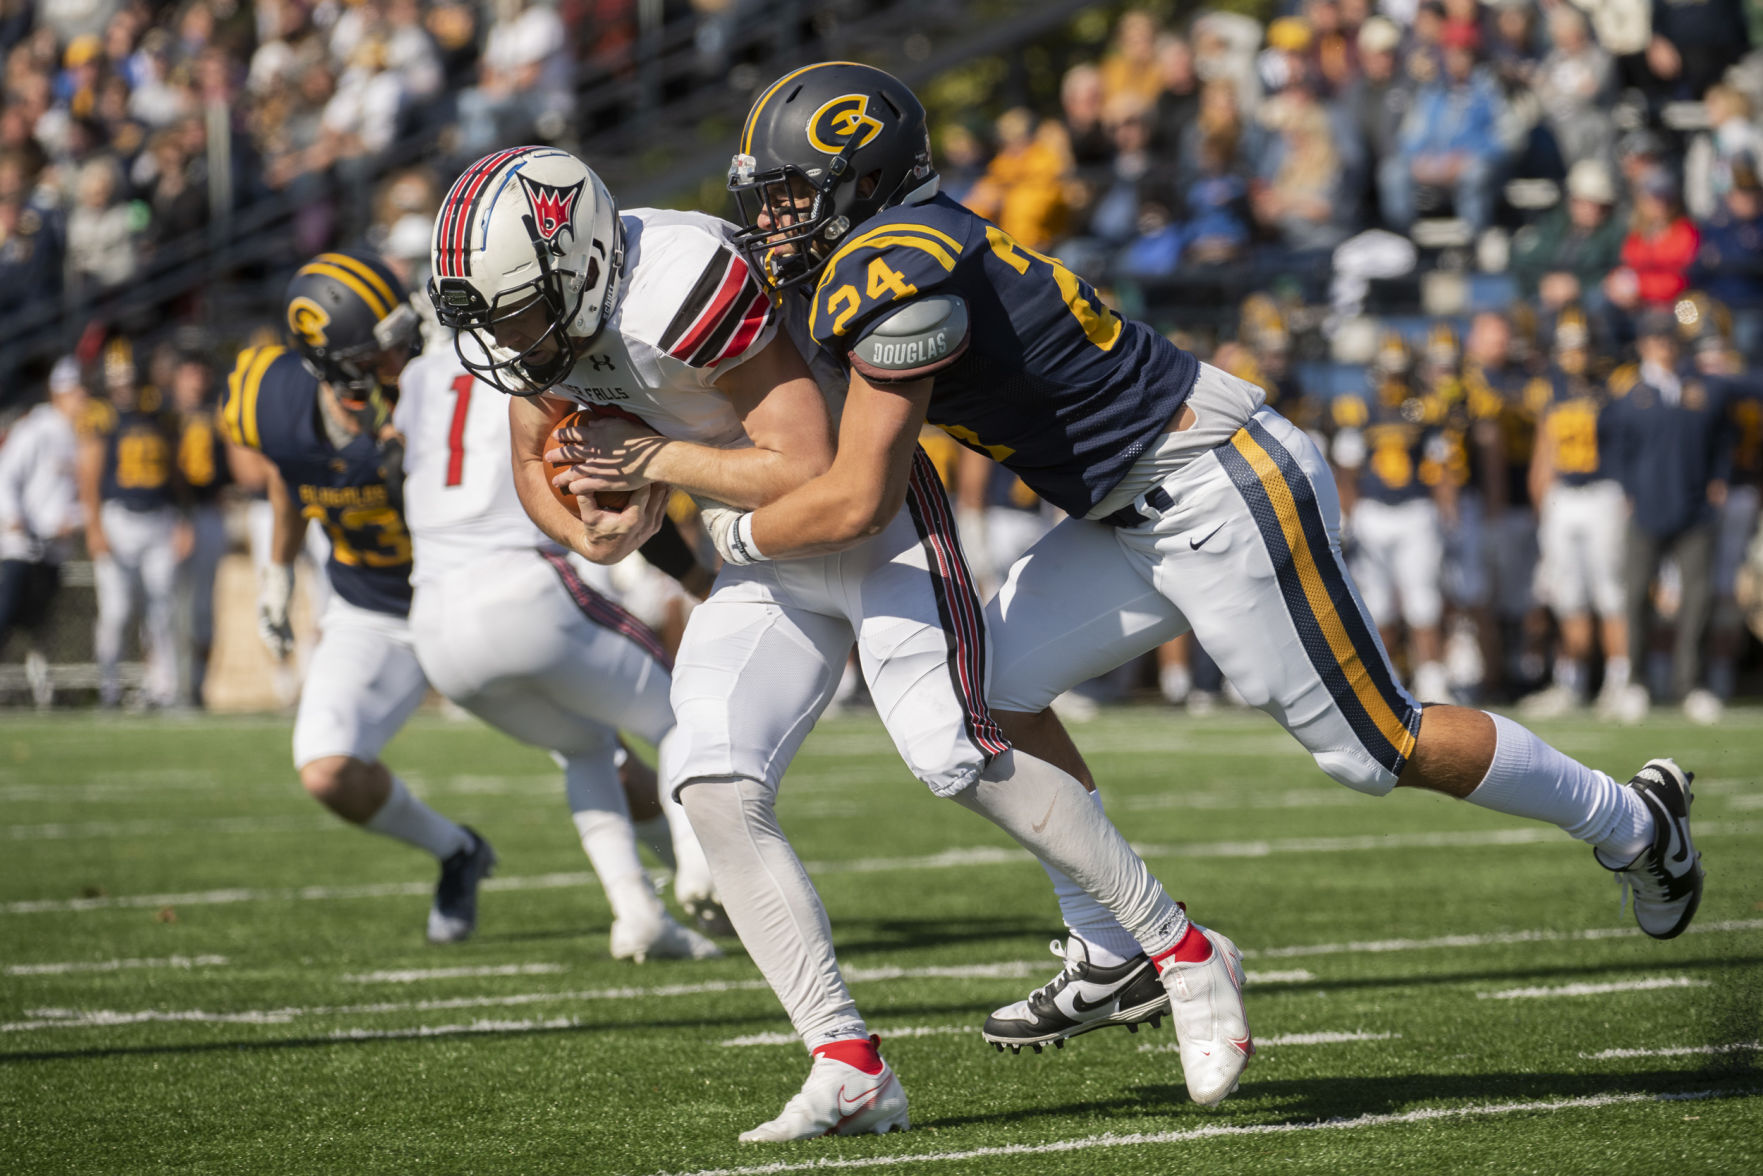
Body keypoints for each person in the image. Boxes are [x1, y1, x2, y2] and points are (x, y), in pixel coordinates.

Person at [705, 60, 1704, 1050]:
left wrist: (727, 525)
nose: (777, 217)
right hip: (1127, 511)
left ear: (865, 180)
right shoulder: (889, 252)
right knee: (992, 691)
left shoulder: (893, 267)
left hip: (1218, 484)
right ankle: (1111, 948)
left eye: (792, 194)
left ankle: (1631, 820)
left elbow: (858, 495)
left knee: (1372, 749)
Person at [429, 145, 1219, 1140]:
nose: (506, 337)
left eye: (513, 311)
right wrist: (588, 523)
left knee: (953, 753)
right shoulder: (550, 312)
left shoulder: (674, 285)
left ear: (579, 265)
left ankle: (1177, 946)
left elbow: (806, 461)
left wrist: (659, 462)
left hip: (864, 519)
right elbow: (531, 455)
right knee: (711, 783)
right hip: (754, 552)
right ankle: (846, 1066)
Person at [394, 346, 723, 961]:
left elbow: (399, 468)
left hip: (432, 619)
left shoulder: (418, 376)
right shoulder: (548, 357)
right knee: (678, 711)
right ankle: (702, 867)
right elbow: (616, 487)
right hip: (521, 587)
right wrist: (695, 578)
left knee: (585, 745)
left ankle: (635, 914)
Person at [220, 249, 496, 943]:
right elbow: (289, 469)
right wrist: (278, 574)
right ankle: (456, 851)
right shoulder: (273, 401)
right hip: (374, 612)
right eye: (385, 348)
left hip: (475, 595)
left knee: (599, 747)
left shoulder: (443, 385)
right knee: (327, 770)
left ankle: (674, 880)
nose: (407, 354)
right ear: (337, 366)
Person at [1603, 310, 1734, 724]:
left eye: (1669, 338)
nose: (1664, 345)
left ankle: (1689, 684)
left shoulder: (1701, 387)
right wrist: (1624, 488)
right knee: (1637, 595)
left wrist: (1720, 477)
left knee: (1696, 599)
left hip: (1695, 509)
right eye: (1656, 339)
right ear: (1643, 343)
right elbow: (1612, 444)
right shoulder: (1631, 393)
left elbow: (1724, 436)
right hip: (1647, 509)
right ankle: (1637, 681)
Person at [1521, 309, 1632, 718]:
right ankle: (1572, 683)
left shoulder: (1613, 388)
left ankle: (1621, 681)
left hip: (1602, 493)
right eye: (1567, 347)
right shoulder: (1549, 390)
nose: (1574, 354)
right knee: (1568, 596)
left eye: (1580, 346)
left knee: (1610, 591)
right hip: (1563, 498)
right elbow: (1543, 452)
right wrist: (1542, 505)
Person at [78, 340, 185, 710]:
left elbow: (174, 469)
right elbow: (89, 475)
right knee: (117, 609)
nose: (123, 386)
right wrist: (93, 526)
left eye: (128, 378)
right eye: (117, 379)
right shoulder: (102, 415)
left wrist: (181, 516)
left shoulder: (159, 410)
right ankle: (109, 687)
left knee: (162, 609)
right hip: (119, 517)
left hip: (158, 516)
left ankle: (164, 689)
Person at [0, 356, 86, 705]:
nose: (81, 397)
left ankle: (41, 693)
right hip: (22, 547)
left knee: (40, 626)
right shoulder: (36, 428)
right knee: (5, 618)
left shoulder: (80, 436)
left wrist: (73, 521)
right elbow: (6, 475)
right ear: (58, 393)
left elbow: (84, 497)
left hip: (53, 549)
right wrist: (15, 517)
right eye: (74, 391)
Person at [170, 352, 228, 708]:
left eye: (200, 371)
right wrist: (179, 515)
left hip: (207, 512)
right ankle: (168, 686)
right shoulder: (162, 415)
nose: (196, 379)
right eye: (189, 370)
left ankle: (196, 687)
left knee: (203, 608)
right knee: (167, 608)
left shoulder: (218, 412)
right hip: (170, 517)